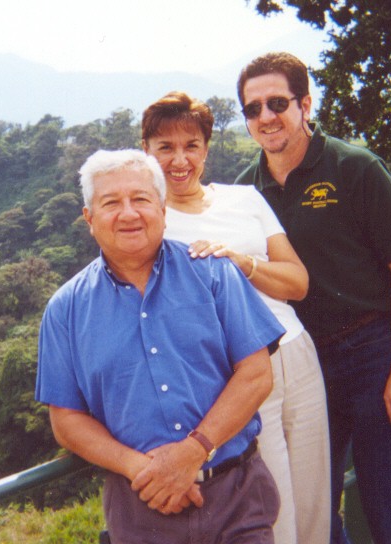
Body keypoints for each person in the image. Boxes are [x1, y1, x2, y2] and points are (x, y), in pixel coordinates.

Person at [235, 51, 391, 544]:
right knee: (312, 518)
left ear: (305, 104)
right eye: (252, 108)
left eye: (277, 102)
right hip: (302, 364)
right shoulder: (244, 194)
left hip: (374, 354)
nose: (265, 117)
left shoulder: (354, 168)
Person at [35, 149, 285, 544]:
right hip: (141, 509)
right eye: (111, 203)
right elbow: (66, 419)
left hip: (236, 497)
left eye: (141, 199)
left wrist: (192, 452)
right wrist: (142, 468)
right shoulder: (65, 310)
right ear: (89, 219)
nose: (129, 213)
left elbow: (256, 375)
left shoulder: (214, 271)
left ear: (163, 208)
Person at [141, 90, 331, 544]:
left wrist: (241, 262)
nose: (179, 160)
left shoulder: (245, 198)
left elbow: (297, 282)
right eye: (165, 148)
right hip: (237, 374)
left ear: (207, 149)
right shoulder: (150, 221)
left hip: (296, 351)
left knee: (316, 501)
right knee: (273, 508)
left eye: (191, 146)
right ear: (146, 152)